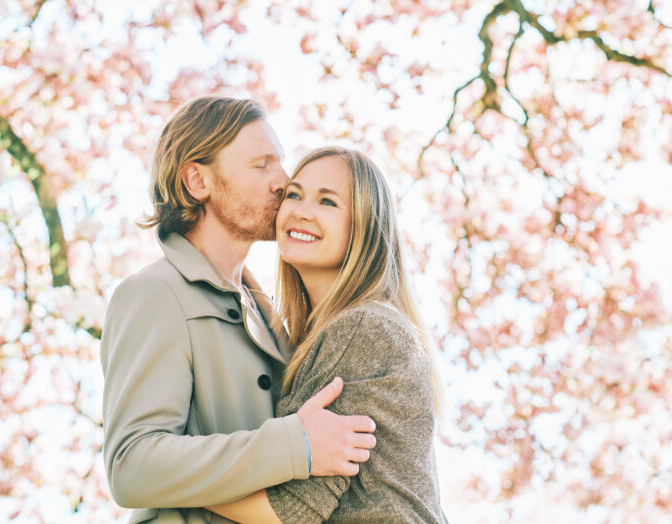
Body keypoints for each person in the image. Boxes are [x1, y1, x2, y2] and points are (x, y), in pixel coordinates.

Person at [100, 98, 377, 524]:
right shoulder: (155, 293)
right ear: (197, 181)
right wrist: (296, 446)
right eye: (261, 165)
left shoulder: (268, 312)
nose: (283, 182)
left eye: (280, 163)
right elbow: (131, 466)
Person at [206, 147, 448, 523]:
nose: (302, 210)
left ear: (364, 226)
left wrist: (163, 476)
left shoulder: (363, 329)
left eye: (327, 202)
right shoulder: (337, 333)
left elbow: (288, 511)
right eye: (294, 194)